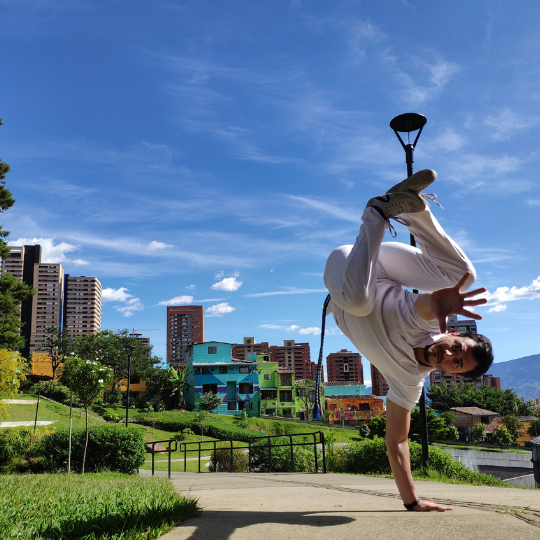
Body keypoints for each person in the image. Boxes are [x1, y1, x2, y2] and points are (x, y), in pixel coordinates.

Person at [323, 169, 493, 512]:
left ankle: (382, 213)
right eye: (455, 346)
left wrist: (412, 501)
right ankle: (408, 208)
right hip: (371, 261)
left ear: (454, 374)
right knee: (465, 276)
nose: (447, 353)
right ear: (453, 333)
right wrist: (439, 301)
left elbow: (397, 441)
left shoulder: (407, 383)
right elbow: (424, 305)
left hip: (343, 279)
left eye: (455, 362)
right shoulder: (424, 321)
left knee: (358, 301)